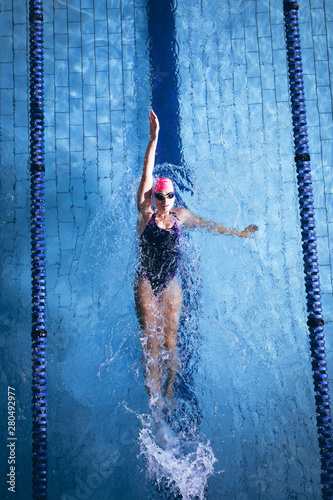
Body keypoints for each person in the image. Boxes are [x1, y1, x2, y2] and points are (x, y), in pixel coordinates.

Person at [135, 110, 258, 403]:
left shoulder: (181, 216)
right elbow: (146, 174)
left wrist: (237, 233)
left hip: (171, 283)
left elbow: (208, 225)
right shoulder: (145, 214)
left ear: (174, 198)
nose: (165, 201)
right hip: (146, 283)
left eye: (169, 196)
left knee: (169, 341)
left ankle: (169, 392)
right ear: (153, 197)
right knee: (151, 344)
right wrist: (153, 141)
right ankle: (153, 403)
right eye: (160, 196)